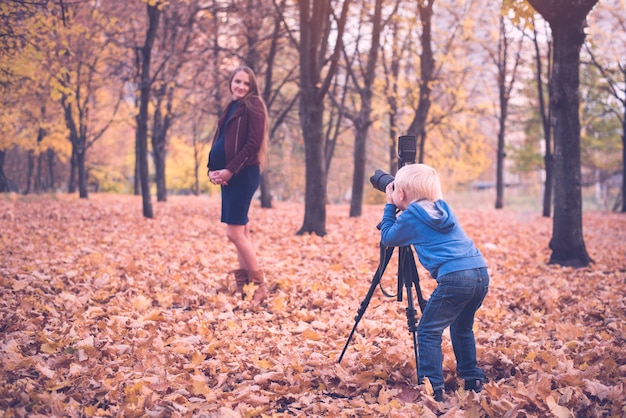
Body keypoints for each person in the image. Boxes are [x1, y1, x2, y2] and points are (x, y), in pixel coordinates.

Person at [379, 163, 489, 402]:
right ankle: (473, 377)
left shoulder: (410, 217)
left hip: (455, 278)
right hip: (479, 272)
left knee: (428, 331)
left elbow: (388, 237)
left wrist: (389, 206)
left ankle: (433, 388)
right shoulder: (442, 209)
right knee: (461, 328)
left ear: (402, 194)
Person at [207, 65, 269, 303]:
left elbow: (253, 143)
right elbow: (221, 141)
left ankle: (260, 286)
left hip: (243, 174)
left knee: (234, 233)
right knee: (241, 231)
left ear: (251, 86)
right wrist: (213, 171)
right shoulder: (232, 106)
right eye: (237, 82)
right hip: (230, 175)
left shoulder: (253, 105)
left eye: (245, 83)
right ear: (231, 83)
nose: (241, 86)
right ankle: (245, 285)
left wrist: (230, 171)